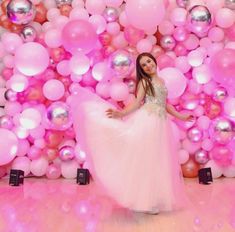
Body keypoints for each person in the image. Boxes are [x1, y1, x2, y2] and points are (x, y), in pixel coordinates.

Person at [71, 52, 193, 214]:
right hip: (148, 121)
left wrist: (181, 116)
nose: (148, 65)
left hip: (160, 123)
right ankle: (145, 200)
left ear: (154, 61)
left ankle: (156, 198)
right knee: (147, 159)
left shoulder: (161, 81)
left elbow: (165, 104)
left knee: (158, 160)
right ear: (141, 69)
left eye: (149, 61)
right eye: (144, 65)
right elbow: (137, 103)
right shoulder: (144, 82)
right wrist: (120, 114)